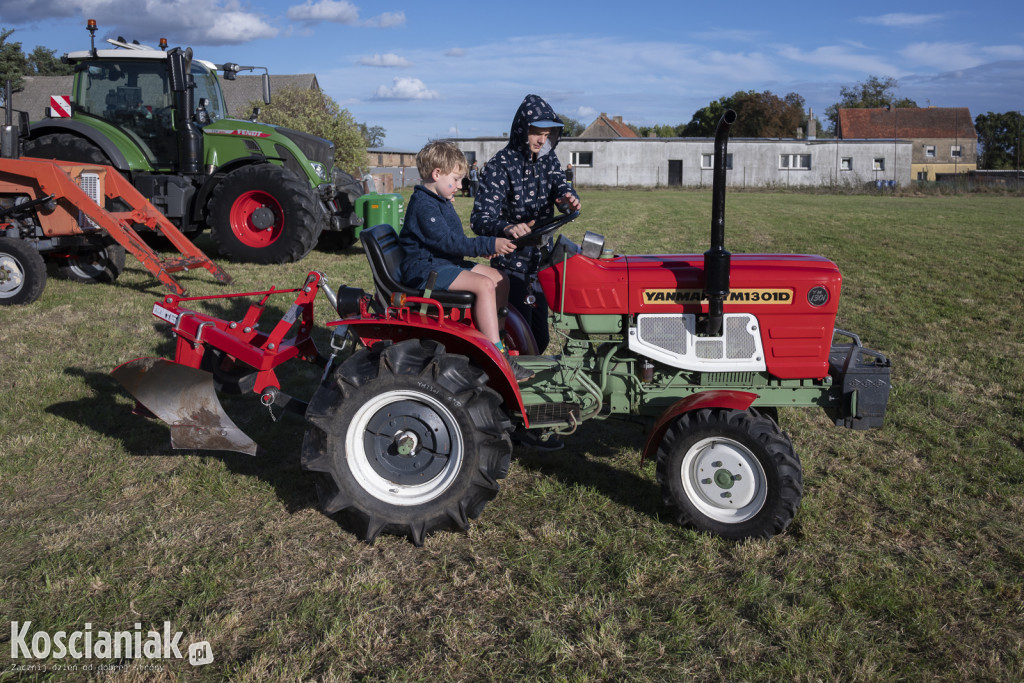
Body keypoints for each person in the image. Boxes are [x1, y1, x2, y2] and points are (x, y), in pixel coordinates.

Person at [471, 94, 581, 450]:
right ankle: (518, 421)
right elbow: (480, 220)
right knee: (523, 345)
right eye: (536, 131)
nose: (542, 138)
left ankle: (533, 409)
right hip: (512, 264)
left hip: (541, 262)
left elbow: (561, 186)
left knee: (541, 337)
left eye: (548, 133)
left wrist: (567, 198)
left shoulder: (548, 162)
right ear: (522, 129)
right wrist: (508, 228)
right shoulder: (500, 166)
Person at [397, 141, 533, 381]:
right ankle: (494, 355)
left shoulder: (438, 201)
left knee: (500, 278)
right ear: (436, 174)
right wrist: (489, 244)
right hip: (425, 270)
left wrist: (486, 249)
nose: (460, 186)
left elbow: (454, 241)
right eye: (456, 180)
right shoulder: (423, 206)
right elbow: (449, 243)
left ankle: (495, 337)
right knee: (484, 284)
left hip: (441, 262)